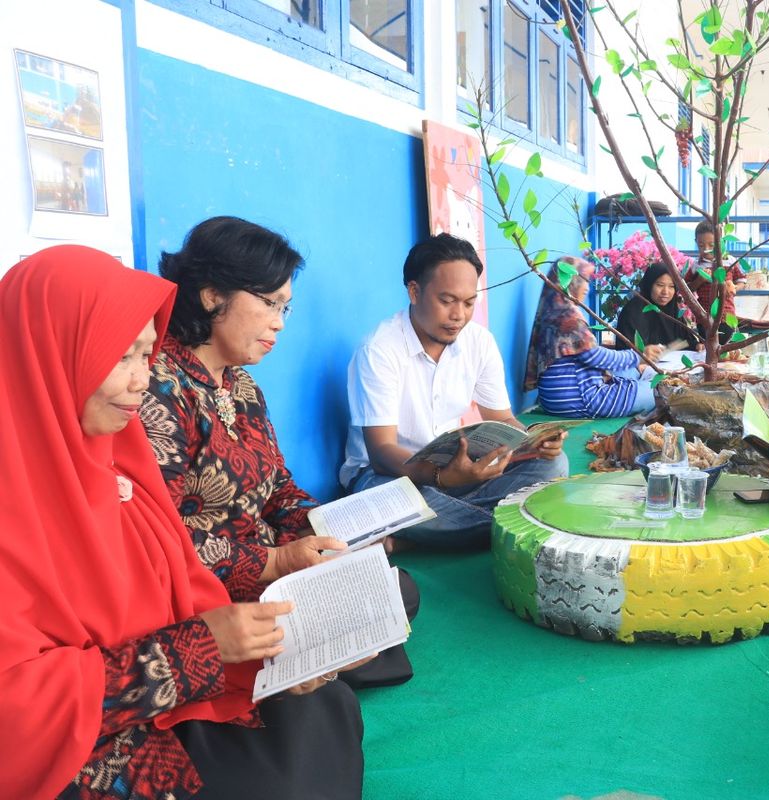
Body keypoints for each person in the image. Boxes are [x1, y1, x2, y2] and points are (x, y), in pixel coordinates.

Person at [0, 245, 364, 800]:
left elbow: (184, 593)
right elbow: (15, 711)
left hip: (166, 688)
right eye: (119, 357)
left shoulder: (117, 462)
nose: (141, 380)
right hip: (78, 737)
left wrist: (268, 654)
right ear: (50, 354)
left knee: (320, 709)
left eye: (145, 356)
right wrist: (197, 649)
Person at [142, 216, 418, 689]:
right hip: (207, 597)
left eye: (285, 308)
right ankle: (298, 668)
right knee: (367, 613)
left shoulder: (241, 384)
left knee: (393, 585)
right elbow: (158, 544)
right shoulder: (156, 388)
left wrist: (336, 534)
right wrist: (276, 562)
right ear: (213, 295)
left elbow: (279, 491)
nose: (278, 323)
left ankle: (313, 660)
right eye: (269, 303)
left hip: (274, 572)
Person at [341, 233, 569, 548]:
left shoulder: (479, 341)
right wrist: (442, 478)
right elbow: (381, 454)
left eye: (469, 302)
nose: (458, 314)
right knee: (397, 503)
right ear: (414, 291)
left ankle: (419, 537)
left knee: (554, 465)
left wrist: (534, 440)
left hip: (457, 474)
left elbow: (502, 417)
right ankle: (493, 525)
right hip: (388, 478)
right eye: (446, 301)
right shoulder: (379, 350)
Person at [529, 258, 665, 418]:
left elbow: (585, 355)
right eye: (583, 280)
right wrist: (639, 356)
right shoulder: (569, 317)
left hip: (553, 400)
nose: (587, 287)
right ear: (569, 282)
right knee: (658, 391)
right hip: (580, 400)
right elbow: (594, 356)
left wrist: (635, 361)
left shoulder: (551, 311)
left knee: (633, 371)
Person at [615, 261, 702, 351]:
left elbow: (685, 340)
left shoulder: (673, 310)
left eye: (671, 286)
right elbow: (625, 351)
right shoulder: (633, 311)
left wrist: (696, 346)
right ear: (649, 285)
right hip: (642, 364)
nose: (665, 292)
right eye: (660, 285)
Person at [686, 220, 746, 344]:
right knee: (709, 346)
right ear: (695, 243)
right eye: (701, 246)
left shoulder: (730, 261)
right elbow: (687, 289)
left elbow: (742, 280)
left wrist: (734, 287)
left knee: (726, 346)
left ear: (720, 243)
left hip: (727, 315)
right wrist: (699, 280)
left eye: (711, 245)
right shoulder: (696, 266)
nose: (706, 250)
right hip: (704, 318)